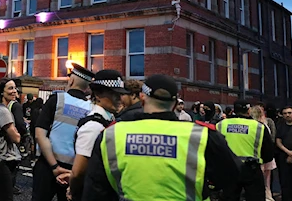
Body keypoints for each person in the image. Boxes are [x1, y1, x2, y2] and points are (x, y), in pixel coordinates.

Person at [83, 74, 240, 201]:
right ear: (174, 103)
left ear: (142, 97)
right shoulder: (201, 135)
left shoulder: (112, 134)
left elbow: (96, 191)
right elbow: (230, 175)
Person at [32, 62, 93, 201]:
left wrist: (55, 167)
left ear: (71, 80)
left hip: (48, 166)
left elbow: (40, 135)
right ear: (87, 86)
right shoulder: (91, 109)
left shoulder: (57, 99)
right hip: (74, 170)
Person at [67, 70, 128, 201]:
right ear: (98, 94)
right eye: (113, 94)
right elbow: (78, 172)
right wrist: (72, 191)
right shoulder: (93, 126)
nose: (119, 98)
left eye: (120, 94)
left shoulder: (107, 119)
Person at [216, 100, 274, 201]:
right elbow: (268, 154)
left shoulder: (220, 124)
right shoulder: (259, 127)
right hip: (251, 168)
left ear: (234, 110)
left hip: (229, 168)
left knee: (229, 197)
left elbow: (215, 148)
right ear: (248, 110)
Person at [250, 104, 277, 201]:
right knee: (266, 184)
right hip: (266, 158)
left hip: (258, 157)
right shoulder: (264, 125)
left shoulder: (257, 126)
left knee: (260, 184)